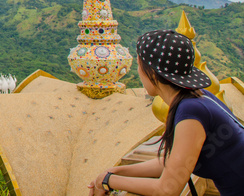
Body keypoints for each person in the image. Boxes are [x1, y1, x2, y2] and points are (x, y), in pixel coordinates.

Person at [88, 29, 244, 196]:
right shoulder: (199, 97)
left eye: (140, 66)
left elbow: (168, 189)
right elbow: (174, 163)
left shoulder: (190, 111)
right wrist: (115, 172)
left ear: (152, 73)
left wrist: (107, 181)